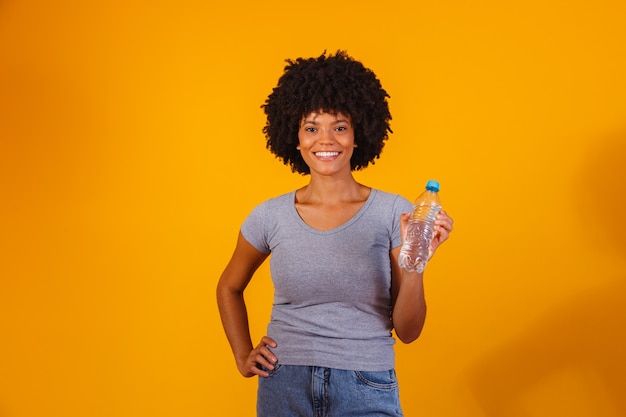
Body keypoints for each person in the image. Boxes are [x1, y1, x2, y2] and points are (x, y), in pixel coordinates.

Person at [216, 50, 454, 417]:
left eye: (339, 127)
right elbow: (228, 287)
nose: (325, 140)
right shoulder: (270, 215)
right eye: (311, 128)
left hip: (366, 383)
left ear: (358, 134)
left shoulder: (393, 212)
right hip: (284, 382)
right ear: (294, 137)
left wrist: (417, 263)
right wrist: (242, 354)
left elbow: (408, 331)